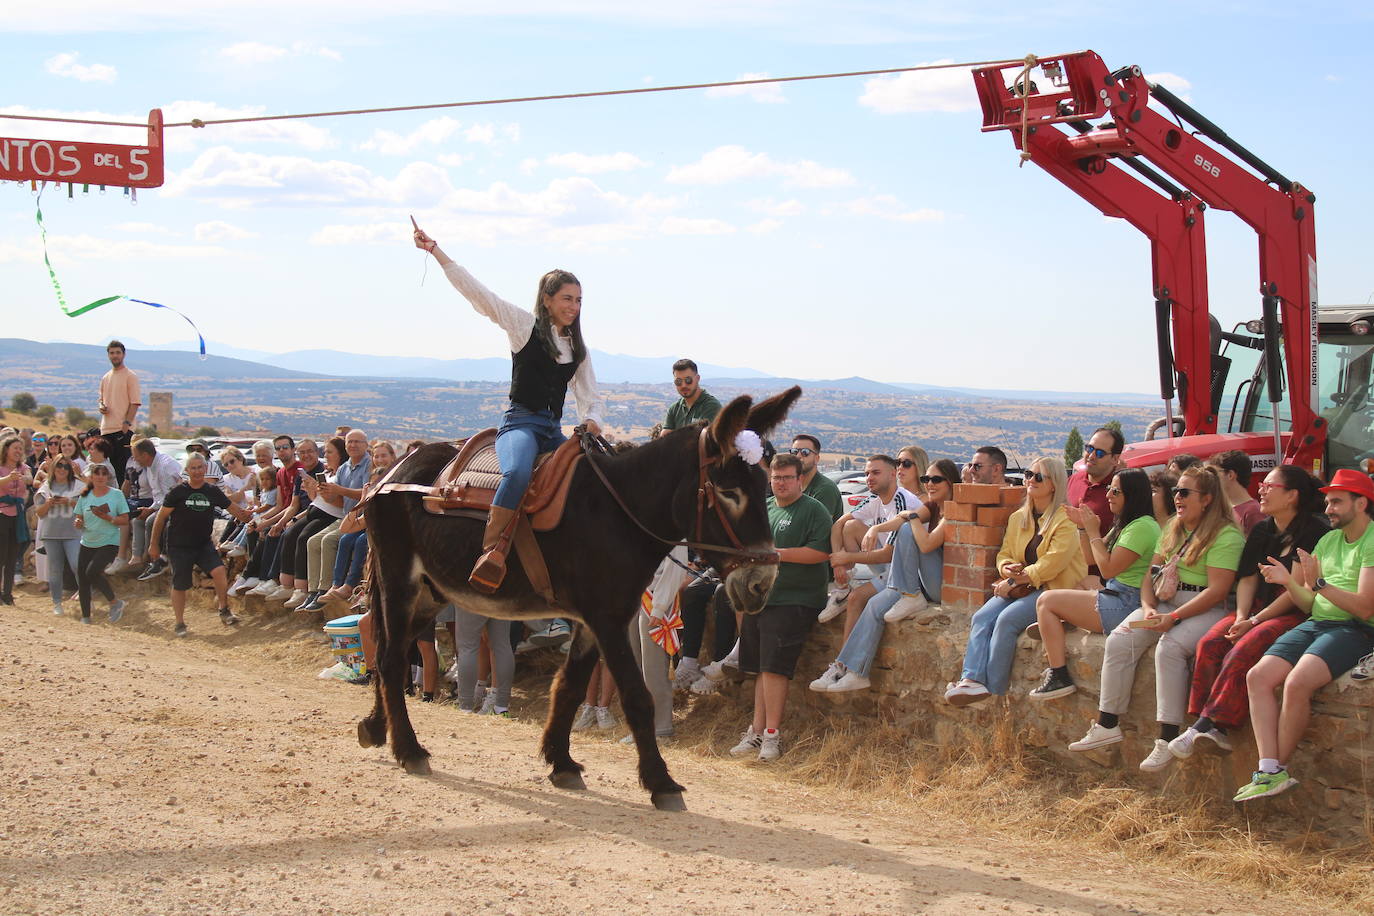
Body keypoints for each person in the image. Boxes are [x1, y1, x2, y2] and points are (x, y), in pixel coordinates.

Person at [413, 220, 605, 592]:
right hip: (520, 424)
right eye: (567, 298)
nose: (574, 306)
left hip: (554, 431)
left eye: (579, 300)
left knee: (592, 478)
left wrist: (593, 421)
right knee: (516, 473)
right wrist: (437, 252)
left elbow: (590, 396)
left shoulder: (578, 348)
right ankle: (492, 550)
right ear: (547, 299)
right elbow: (480, 295)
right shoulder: (523, 325)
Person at [1068, 465, 1242, 772]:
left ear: (1207, 499)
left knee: (1169, 648)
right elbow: (1152, 574)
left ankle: (1166, 737)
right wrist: (1148, 607)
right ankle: (1107, 723)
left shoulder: (1225, 535)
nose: (1177, 497)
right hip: (1165, 599)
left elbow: (1218, 590)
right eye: (1176, 491)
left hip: (1202, 605)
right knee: (1121, 639)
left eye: (1185, 492)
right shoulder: (1174, 526)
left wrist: (1173, 617)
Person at [1168, 465, 1329, 760]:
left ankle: (1212, 724)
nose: (1261, 490)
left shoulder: (1313, 531)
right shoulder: (1263, 529)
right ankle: (1205, 724)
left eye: (1270, 486)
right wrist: (1242, 616)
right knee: (1210, 642)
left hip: (1292, 612)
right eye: (1262, 486)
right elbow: (1247, 578)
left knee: (1244, 648)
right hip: (1256, 608)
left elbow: (1294, 591)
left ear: (1292, 495)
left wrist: (1254, 621)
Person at [1234, 468, 1374, 801]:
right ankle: (1269, 768)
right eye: (1327, 502)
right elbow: (1310, 603)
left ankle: (1273, 772)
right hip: (1319, 623)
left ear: (1362, 503)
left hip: (1356, 629)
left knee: (1297, 683)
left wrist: (1321, 584)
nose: (1328, 509)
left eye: (1337, 502)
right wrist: (1289, 583)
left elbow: (1365, 608)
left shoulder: (1372, 541)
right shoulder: (1328, 540)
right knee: (1258, 677)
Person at [946, 456, 1085, 706]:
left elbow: (1051, 565)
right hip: (1023, 587)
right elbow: (1005, 553)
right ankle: (972, 680)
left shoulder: (1066, 520)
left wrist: (1011, 582)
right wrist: (1005, 567)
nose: (1030, 480)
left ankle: (993, 687)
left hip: (1052, 591)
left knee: (1006, 621)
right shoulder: (1019, 517)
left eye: (1038, 476)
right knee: (981, 617)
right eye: (1028, 474)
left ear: (1055, 484)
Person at [811, 458, 957, 692]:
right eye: (926, 479)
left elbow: (926, 545)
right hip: (911, 578)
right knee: (873, 606)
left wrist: (911, 520)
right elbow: (899, 519)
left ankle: (909, 595)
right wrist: (876, 528)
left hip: (937, 586)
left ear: (951, 482)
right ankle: (854, 670)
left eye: (936, 479)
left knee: (908, 528)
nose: (929, 483)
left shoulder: (954, 509)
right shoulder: (930, 505)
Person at [727, 453, 831, 762]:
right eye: (776, 478)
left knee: (774, 668)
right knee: (761, 667)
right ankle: (756, 732)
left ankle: (772, 736)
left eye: (787, 477)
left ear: (800, 479)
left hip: (794, 599)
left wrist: (776, 554)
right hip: (760, 600)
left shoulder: (814, 510)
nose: (781, 483)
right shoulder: (766, 508)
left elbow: (820, 553)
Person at [1028, 468, 1161, 699]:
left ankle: (1058, 675)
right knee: (1076, 587)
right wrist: (1082, 527)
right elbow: (1090, 559)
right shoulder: (1128, 523)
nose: (1108, 494)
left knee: (1046, 601)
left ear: (1132, 495)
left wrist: (1092, 531)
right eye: (1109, 488)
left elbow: (1108, 568)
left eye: (1115, 491)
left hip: (1127, 604)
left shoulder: (1142, 527)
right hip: (1119, 595)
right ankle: (1062, 622)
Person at [148, 453, 255, 636]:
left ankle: (224, 609)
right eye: (193, 468)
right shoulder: (177, 492)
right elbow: (161, 518)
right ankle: (180, 623)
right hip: (179, 545)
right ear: (187, 471)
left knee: (219, 571)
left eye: (200, 467)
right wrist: (153, 544)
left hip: (203, 543)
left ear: (205, 469)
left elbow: (232, 508)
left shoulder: (211, 491)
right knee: (180, 584)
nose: (197, 471)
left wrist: (250, 517)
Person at [821, 450, 924, 637]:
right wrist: (839, 565)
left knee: (856, 598)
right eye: (867, 473)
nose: (869, 477)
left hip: (904, 573)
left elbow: (888, 554)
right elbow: (838, 525)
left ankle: (843, 664)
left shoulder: (902, 500)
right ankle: (842, 587)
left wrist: (846, 556)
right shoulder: (874, 499)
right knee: (850, 526)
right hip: (887, 565)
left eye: (875, 473)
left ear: (893, 474)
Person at [280, 437, 345, 608]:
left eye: (329, 452)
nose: (326, 455)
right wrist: (312, 491)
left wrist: (316, 490)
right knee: (289, 534)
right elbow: (315, 500)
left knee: (306, 538)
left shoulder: (340, 472)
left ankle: (306, 589)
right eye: (326, 452)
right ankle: (288, 584)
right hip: (316, 511)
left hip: (330, 515)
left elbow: (338, 502)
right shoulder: (329, 471)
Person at [72, 464, 129, 624]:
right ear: (91, 476)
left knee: (92, 572)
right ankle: (86, 618)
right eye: (97, 473)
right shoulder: (84, 495)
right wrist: (78, 522)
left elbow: (125, 519)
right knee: (83, 580)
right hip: (88, 542)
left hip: (109, 542)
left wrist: (108, 518)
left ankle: (115, 603)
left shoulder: (116, 495)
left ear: (108, 477)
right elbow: (79, 517)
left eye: (104, 474)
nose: (100, 477)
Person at [1069, 427, 1123, 582]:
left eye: (1099, 453)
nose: (1091, 456)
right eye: (1089, 448)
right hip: (1062, 572)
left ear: (1115, 459)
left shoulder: (1120, 492)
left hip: (1097, 582)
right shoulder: (1074, 480)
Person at [129, 439, 188, 580]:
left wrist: (151, 510)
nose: (134, 460)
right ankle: (142, 559)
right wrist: (150, 508)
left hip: (180, 506)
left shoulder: (164, 467)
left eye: (136, 456)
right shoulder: (151, 466)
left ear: (145, 455)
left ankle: (158, 560)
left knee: (151, 521)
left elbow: (171, 497)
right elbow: (159, 496)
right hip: (165, 503)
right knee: (137, 520)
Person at [33, 457, 82, 616]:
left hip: (72, 532)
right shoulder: (46, 487)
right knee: (54, 570)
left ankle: (85, 598)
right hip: (51, 533)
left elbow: (86, 505)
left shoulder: (77, 485)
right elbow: (39, 513)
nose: (62, 469)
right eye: (59, 465)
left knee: (77, 565)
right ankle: (57, 603)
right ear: (54, 467)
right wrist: (48, 503)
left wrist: (69, 501)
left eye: (66, 466)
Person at [96, 340, 139, 485]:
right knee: (106, 471)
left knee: (122, 471)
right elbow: (101, 400)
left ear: (124, 354)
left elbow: (134, 402)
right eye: (112, 353)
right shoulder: (105, 377)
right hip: (106, 430)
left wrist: (126, 424)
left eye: (118, 353)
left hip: (123, 430)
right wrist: (101, 406)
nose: (115, 356)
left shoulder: (130, 376)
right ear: (108, 355)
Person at [0, 436, 34, 605]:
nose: (18, 451)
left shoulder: (23, 467)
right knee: (1, 556)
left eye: (21, 448)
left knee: (12, 556)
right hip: (2, 514)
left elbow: (30, 479)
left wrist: (25, 478)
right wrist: (9, 478)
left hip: (17, 515)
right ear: (6, 450)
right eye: (15, 448)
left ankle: (7, 593)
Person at [1207, 450, 1264, 536]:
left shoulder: (1253, 512)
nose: (1211, 478)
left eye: (1215, 473)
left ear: (1230, 475)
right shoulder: (1222, 507)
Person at [791, 435, 843, 522]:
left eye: (805, 452)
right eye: (794, 452)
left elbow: (819, 527)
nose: (798, 456)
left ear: (816, 458)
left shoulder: (825, 489)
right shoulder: (792, 486)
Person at [661, 358, 722, 432]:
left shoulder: (711, 406)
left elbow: (705, 440)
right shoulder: (674, 409)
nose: (683, 385)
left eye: (688, 380)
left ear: (697, 378)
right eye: (678, 381)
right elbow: (665, 438)